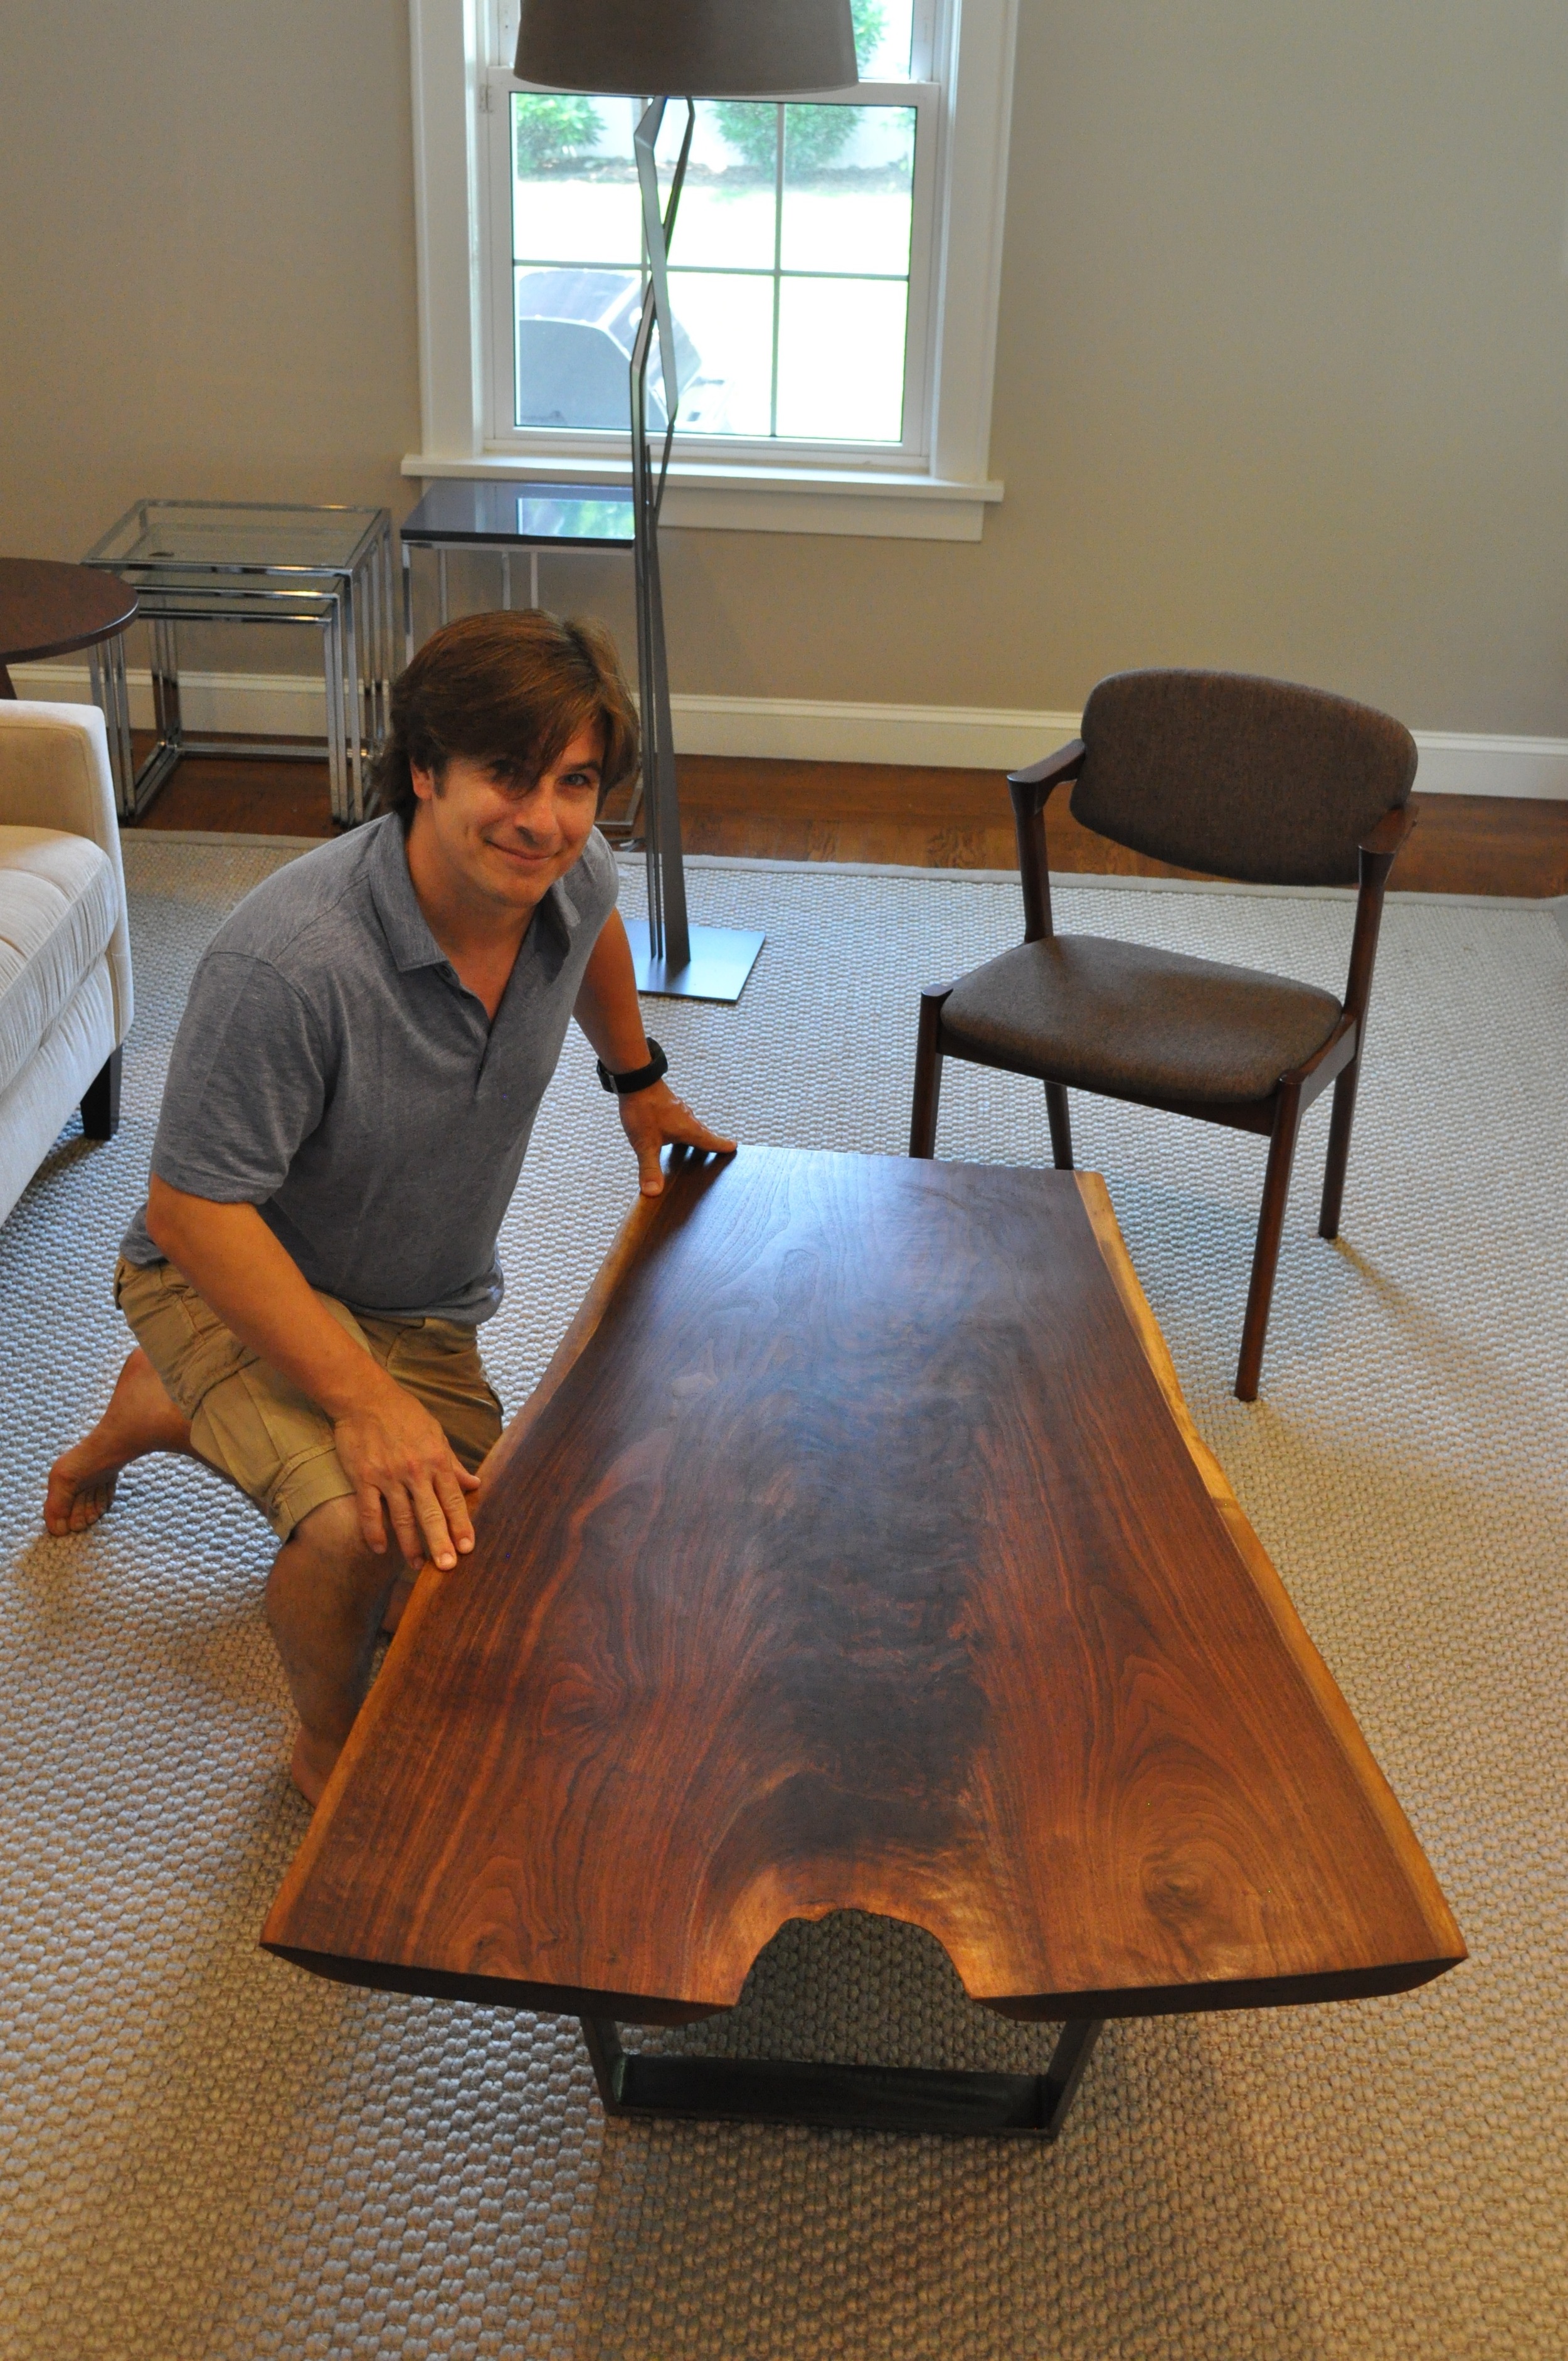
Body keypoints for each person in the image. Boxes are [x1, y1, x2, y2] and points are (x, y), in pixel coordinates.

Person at [45, 610, 734, 1803]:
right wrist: (361, 1402)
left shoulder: (570, 872)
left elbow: (596, 928)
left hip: (422, 1302)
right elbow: (196, 1210)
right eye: (507, 777)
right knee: (361, 1531)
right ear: (424, 770)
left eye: (575, 783)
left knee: (481, 1549)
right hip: (224, 1270)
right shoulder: (290, 963)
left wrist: (639, 1078)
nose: (545, 820)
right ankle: (321, 1747)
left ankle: (165, 1409)